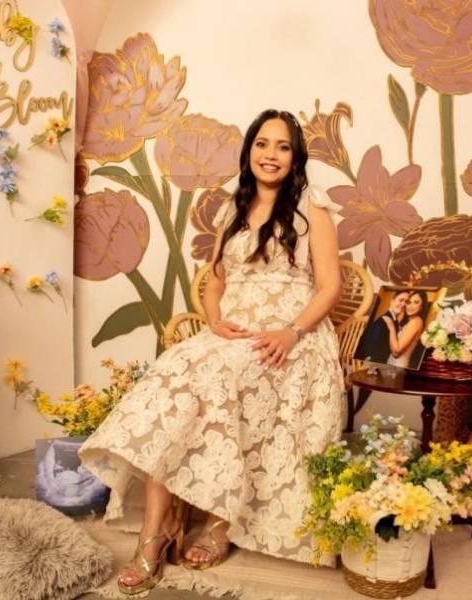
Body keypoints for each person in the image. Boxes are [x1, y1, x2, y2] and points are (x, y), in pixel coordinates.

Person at [79, 109, 345, 595]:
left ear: (295, 156)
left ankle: (220, 520)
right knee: (171, 373)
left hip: (292, 338)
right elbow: (214, 282)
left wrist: (290, 332)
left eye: (282, 147)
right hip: (233, 335)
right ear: (249, 152)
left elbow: (330, 287)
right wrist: (213, 318)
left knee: (218, 380)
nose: (271, 155)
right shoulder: (233, 209)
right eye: (263, 144)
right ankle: (154, 534)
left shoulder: (313, 209)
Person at [354, 290, 409, 364]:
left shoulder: (394, 321)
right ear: (392, 301)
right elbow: (370, 344)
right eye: (401, 300)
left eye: (406, 302)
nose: (403, 304)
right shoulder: (384, 319)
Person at [385, 290, 429, 369]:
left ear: (421, 306)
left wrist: (391, 327)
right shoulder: (410, 321)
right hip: (393, 364)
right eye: (409, 302)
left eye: (416, 302)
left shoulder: (416, 322)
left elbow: (396, 352)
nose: (410, 306)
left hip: (397, 366)